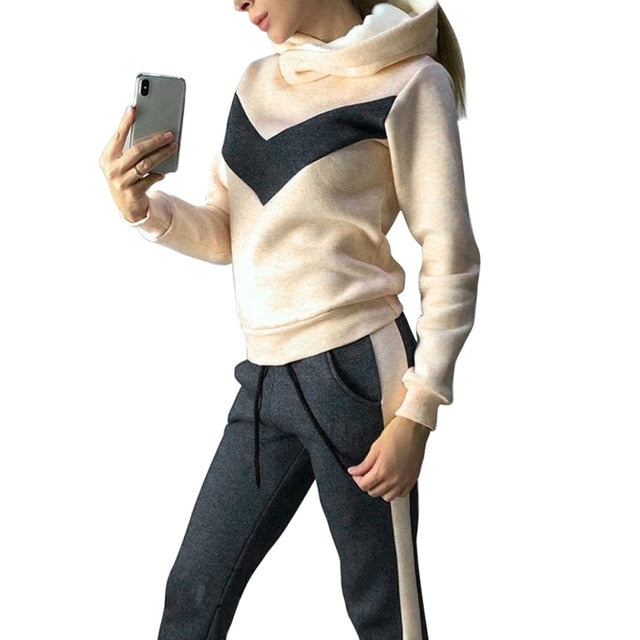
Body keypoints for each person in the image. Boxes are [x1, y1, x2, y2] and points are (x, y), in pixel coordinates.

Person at [99, 0, 480, 637]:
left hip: (359, 378)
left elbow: (451, 256)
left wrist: (417, 413)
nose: (237, 3)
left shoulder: (412, 81)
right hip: (264, 380)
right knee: (193, 592)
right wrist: (144, 209)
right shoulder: (256, 84)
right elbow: (229, 231)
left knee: (384, 613)